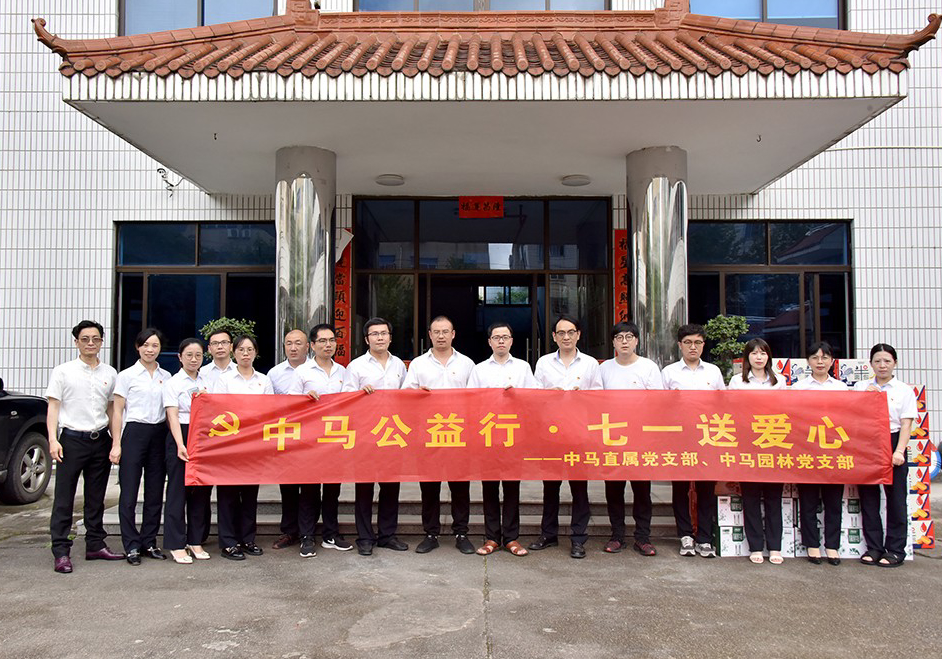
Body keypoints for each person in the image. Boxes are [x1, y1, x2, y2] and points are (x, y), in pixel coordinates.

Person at [46, 320, 124, 573]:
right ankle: (61, 551)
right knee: (64, 498)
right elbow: (53, 407)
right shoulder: (63, 371)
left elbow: (112, 409)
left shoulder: (110, 373)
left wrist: (116, 442)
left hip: (100, 439)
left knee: (95, 497)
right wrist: (53, 439)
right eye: (85, 339)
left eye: (95, 339)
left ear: (102, 342)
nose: (91, 343)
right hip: (71, 441)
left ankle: (95, 544)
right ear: (76, 342)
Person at [403, 316, 476, 555]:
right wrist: (417, 393)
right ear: (430, 335)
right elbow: (405, 395)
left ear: (453, 334)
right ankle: (431, 533)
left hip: (458, 433)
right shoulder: (418, 364)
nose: (441, 336)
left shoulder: (467, 363)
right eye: (437, 332)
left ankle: (461, 533)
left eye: (445, 331)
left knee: (460, 487)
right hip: (429, 433)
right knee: (429, 486)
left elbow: (476, 398)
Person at [531, 315, 602, 559]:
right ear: (554, 337)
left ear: (578, 335)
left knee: (579, 488)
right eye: (561, 333)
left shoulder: (590, 364)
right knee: (550, 487)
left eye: (571, 332)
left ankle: (579, 538)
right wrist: (548, 394)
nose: (566, 337)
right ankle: (548, 534)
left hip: (579, 433)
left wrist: (584, 396)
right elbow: (534, 396)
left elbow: (600, 396)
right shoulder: (543, 363)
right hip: (551, 434)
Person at [467, 322, 539, 557]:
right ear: (489, 341)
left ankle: (511, 537)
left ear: (511, 341)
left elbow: (534, 397)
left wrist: (517, 394)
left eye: (505, 337)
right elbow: (470, 401)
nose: (501, 341)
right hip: (488, 436)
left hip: (513, 436)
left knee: (511, 488)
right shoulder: (479, 369)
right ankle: (491, 537)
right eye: (496, 337)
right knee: (489, 488)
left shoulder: (523, 367)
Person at [342, 317, 409, 556]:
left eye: (384, 333)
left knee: (391, 487)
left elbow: (407, 396)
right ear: (366, 339)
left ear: (390, 337)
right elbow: (345, 397)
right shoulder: (356, 366)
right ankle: (365, 537)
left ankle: (387, 535)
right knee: (364, 489)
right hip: (366, 435)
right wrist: (360, 394)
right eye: (375, 334)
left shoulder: (399, 365)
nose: (380, 337)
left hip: (393, 433)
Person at [288, 323, 353, 557]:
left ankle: (331, 534)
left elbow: (350, 402)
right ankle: (306, 536)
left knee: (333, 490)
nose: (328, 345)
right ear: (313, 345)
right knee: (309, 490)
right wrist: (304, 399)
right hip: (310, 440)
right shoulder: (302, 372)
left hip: (335, 438)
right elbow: (290, 404)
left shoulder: (343, 371)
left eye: (332, 340)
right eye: (323, 341)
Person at [598, 321, 662, 557]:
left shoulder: (649, 367)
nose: (624, 341)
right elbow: (595, 401)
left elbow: (657, 403)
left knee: (642, 491)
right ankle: (617, 536)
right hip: (612, 439)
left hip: (640, 439)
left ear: (637, 340)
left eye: (629, 337)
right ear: (613, 342)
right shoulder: (604, 368)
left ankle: (643, 538)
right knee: (614, 490)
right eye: (619, 337)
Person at [661, 323, 725, 558]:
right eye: (688, 342)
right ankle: (685, 535)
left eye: (697, 342)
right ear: (680, 345)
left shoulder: (713, 371)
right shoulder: (669, 372)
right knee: (680, 490)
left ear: (703, 345)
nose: (693, 347)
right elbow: (660, 406)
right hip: (679, 439)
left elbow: (723, 403)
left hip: (707, 438)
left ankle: (705, 538)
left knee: (705, 489)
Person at [111, 328, 171, 566]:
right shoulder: (126, 375)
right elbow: (117, 411)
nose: (150, 350)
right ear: (138, 347)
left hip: (159, 433)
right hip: (134, 433)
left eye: (154, 345)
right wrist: (116, 443)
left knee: (155, 492)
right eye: (145, 345)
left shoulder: (166, 376)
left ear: (160, 348)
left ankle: (149, 541)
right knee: (129, 492)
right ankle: (131, 545)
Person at [855, 343, 917, 568]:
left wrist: (899, 450)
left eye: (887, 361)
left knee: (896, 499)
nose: (882, 365)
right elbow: (851, 415)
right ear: (871, 364)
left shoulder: (903, 390)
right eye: (878, 361)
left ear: (895, 363)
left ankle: (895, 550)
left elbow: (906, 424)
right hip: (867, 442)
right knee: (869, 498)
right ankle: (874, 547)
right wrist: (865, 398)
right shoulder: (861, 387)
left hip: (893, 441)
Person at [214, 334, 273, 560]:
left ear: (256, 353)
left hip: (254, 446)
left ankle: (248, 539)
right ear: (234, 352)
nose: (245, 354)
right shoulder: (224, 380)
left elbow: (270, 411)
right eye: (241, 350)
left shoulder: (264, 380)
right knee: (228, 495)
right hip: (230, 444)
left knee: (250, 495)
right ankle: (228, 542)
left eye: (250, 349)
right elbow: (218, 409)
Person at [728, 338, 786, 565]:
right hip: (747, 446)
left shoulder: (779, 381)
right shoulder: (737, 381)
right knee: (750, 498)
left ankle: (775, 547)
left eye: (763, 353)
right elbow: (731, 411)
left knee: (774, 499)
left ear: (768, 356)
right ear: (747, 357)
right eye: (754, 353)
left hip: (773, 444)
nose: (759, 357)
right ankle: (755, 546)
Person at [792, 341, 847, 565]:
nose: (820, 362)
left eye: (824, 358)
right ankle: (812, 545)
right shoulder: (798, 388)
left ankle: (832, 546)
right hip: (808, 451)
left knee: (834, 502)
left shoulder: (842, 388)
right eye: (815, 357)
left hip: (834, 452)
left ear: (832, 361)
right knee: (808, 502)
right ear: (808, 361)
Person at [162, 337, 211, 564]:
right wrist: (180, 444)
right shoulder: (173, 383)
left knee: (200, 491)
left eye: (198, 355)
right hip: (180, 434)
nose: (194, 359)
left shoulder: (206, 380)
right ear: (180, 357)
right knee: (177, 491)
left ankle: (195, 540)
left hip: (204, 435)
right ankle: (176, 543)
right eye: (189, 355)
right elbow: (171, 414)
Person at [267, 329, 312, 553]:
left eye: (298, 343)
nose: (293, 348)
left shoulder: (317, 369)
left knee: (311, 487)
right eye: (288, 343)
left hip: (314, 437)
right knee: (288, 487)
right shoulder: (274, 374)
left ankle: (308, 531)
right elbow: (267, 406)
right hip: (287, 437)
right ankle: (289, 531)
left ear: (308, 346)